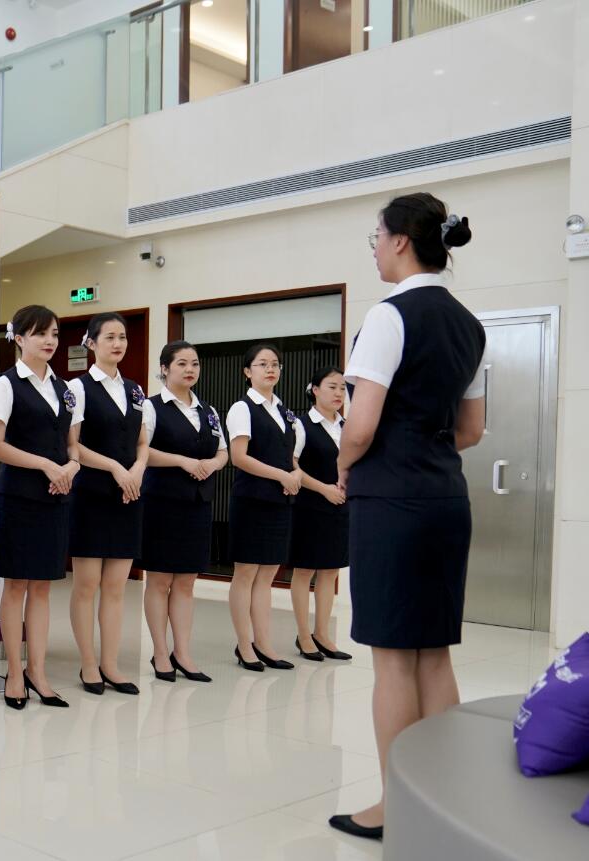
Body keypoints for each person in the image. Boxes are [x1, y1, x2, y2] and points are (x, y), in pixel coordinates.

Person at [329, 193, 483, 842]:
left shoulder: (388, 316)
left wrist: (343, 464)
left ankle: (397, 806)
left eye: (376, 237)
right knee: (434, 656)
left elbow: (360, 425)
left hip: (390, 503)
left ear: (398, 241)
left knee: (393, 660)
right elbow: (470, 430)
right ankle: (440, 802)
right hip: (446, 499)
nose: (374, 249)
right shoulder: (469, 325)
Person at [0, 304, 77, 710]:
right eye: (40, 333)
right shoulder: (6, 385)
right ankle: (15, 673)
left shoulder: (65, 389)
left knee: (42, 587)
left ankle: (38, 671)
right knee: (17, 585)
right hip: (20, 496)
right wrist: (44, 465)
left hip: (56, 496)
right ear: (19, 338)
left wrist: (71, 466)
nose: (50, 341)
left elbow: (72, 445)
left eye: (54, 333)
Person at [66, 313, 147, 695]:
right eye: (110, 337)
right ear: (91, 343)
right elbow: (72, 444)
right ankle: (88, 664)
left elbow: (142, 442)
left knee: (117, 587)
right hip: (91, 495)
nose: (118, 344)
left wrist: (138, 470)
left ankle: (111, 665)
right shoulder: (78, 388)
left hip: (128, 495)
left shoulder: (135, 390)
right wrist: (116, 467)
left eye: (123, 337)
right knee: (86, 585)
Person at [139, 340, 227, 684]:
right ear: (164, 369)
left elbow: (223, 451)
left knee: (187, 582)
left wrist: (212, 464)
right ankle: (161, 652)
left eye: (195, 363)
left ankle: (183, 653)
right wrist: (181, 461)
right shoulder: (151, 407)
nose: (190, 369)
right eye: (182, 363)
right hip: (162, 503)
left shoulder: (208, 410)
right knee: (160, 580)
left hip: (198, 504)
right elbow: (142, 452)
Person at [226, 344, 305, 672]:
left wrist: (296, 473)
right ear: (248, 371)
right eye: (262, 364)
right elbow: (239, 457)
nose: (270, 369)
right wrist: (282, 475)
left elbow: (291, 457)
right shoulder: (242, 408)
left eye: (275, 364)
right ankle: (244, 645)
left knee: (268, 574)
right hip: (252, 501)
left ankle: (263, 643)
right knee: (246, 573)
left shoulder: (285, 412)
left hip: (279, 501)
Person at [290, 366, 352, 662]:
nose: (339, 393)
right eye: (332, 386)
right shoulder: (301, 425)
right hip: (310, 506)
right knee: (305, 571)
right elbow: (291, 466)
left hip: (341, 508)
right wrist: (323, 489)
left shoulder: (347, 426)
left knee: (331, 570)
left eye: (342, 388)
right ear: (315, 390)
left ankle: (322, 634)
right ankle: (304, 636)